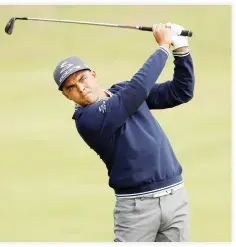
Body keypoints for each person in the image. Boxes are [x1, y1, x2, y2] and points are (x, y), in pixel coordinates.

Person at [53, 23, 195, 242]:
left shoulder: (121, 90)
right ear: (66, 96)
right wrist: (163, 46)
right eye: (70, 87)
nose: (80, 88)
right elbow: (134, 94)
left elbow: (180, 92)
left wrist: (181, 50)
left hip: (175, 197)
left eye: (82, 79)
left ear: (93, 75)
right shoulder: (86, 119)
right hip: (136, 209)